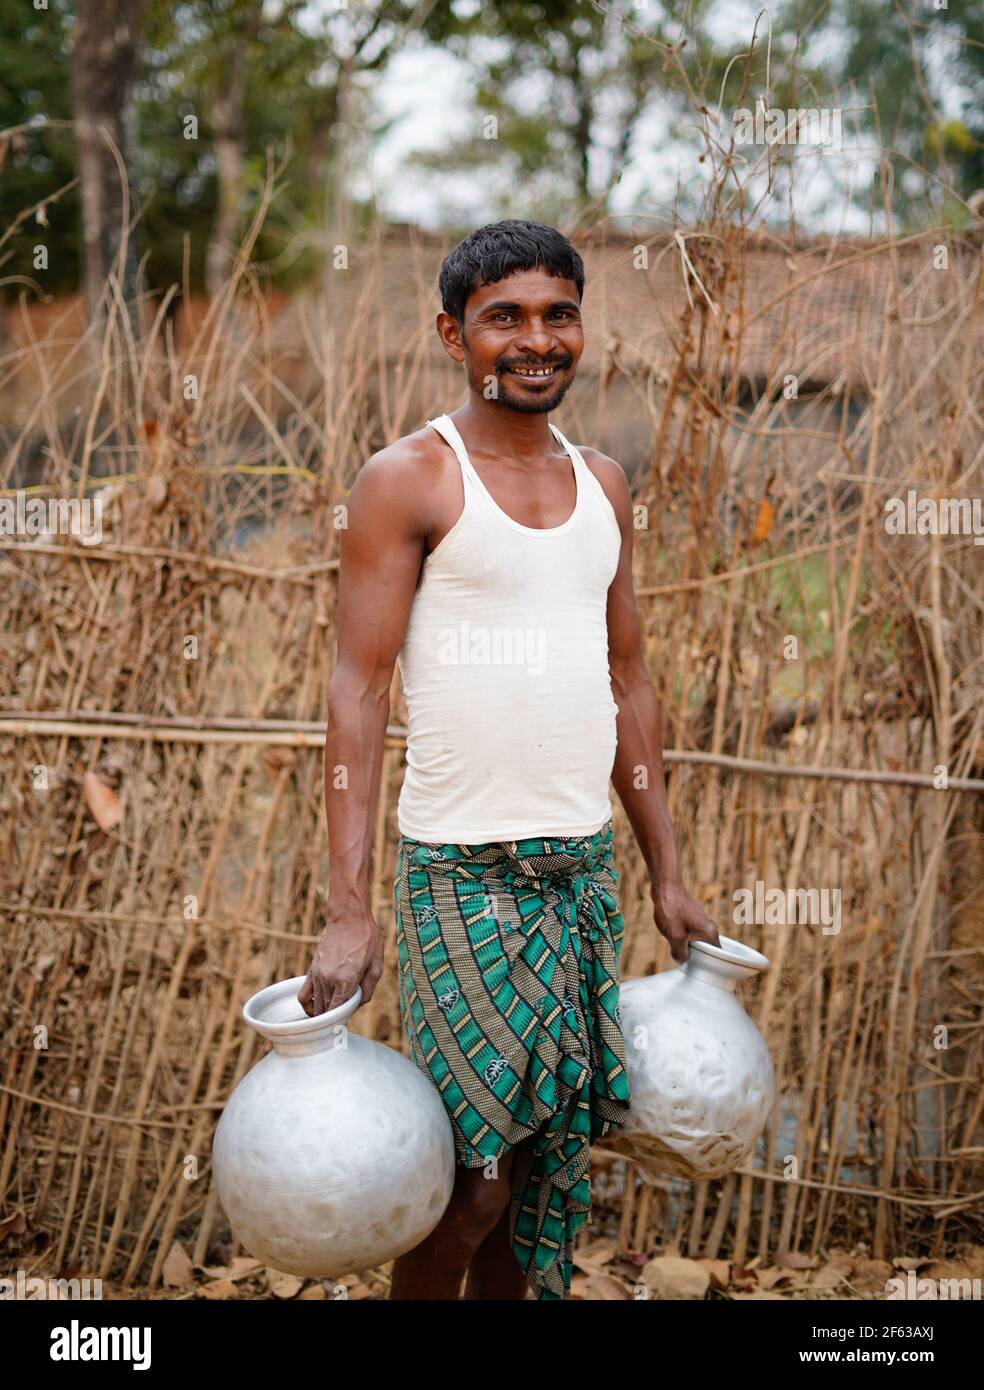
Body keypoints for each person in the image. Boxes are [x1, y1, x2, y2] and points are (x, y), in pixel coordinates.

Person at [298, 219, 719, 1301]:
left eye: (558, 314)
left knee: (542, 1180)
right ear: (454, 334)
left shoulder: (607, 485)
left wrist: (666, 872)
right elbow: (357, 690)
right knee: (475, 1179)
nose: (537, 340)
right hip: (463, 877)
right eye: (505, 318)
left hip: (580, 875)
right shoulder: (411, 481)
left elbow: (628, 682)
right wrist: (349, 907)